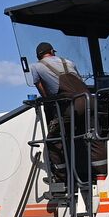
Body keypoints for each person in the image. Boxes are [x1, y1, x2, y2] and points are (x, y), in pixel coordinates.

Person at [32, 42, 94, 181]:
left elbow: (40, 87)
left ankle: (62, 178)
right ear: (52, 52)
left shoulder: (36, 67)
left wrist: (48, 100)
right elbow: (79, 82)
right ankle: (95, 173)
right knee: (88, 135)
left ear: (39, 56)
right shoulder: (68, 62)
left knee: (53, 140)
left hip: (71, 105)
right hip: (89, 101)